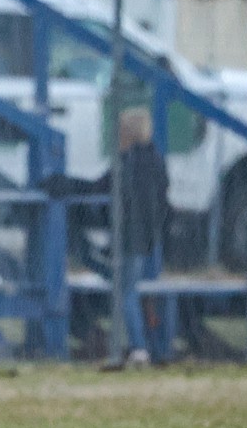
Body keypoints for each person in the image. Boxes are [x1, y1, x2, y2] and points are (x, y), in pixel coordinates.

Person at [44, 108, 169, 366]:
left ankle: (139, 348)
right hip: (144, 238)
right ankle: (137, 345)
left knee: (126, 291)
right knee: (121, 283)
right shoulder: (155, 160)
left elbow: (100, 187)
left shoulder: (129, 162)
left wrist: (64, 185)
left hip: (129, 238)